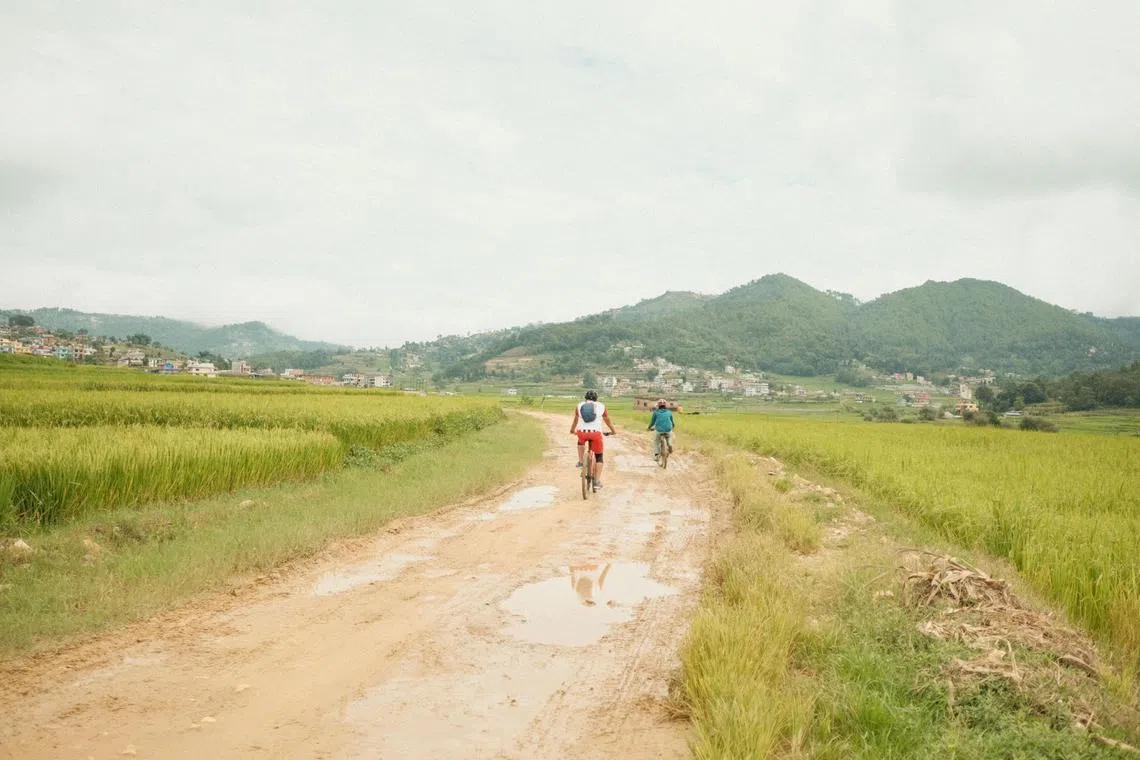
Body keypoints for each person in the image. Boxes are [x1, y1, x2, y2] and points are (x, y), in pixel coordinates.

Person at [570, 390, 617, 489]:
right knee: (599, 456)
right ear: (596, 399)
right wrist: (613, 431)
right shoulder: (601, 406)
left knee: (580, 440)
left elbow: (575, 420)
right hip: (596, 434)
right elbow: (608, 421)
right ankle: (596, 482)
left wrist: (572, 430)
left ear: (585, 398)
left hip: (582, 433)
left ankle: (581, 462)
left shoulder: (579, 405)